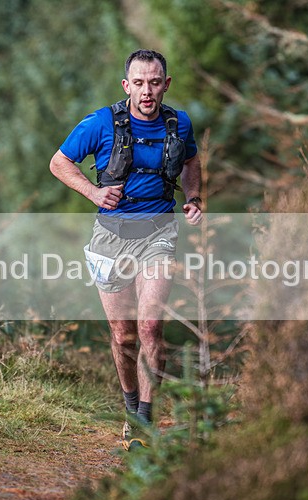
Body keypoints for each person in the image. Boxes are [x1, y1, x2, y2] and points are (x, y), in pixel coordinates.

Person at [49, 49, 202, 449]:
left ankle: (145, 422)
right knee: (123, 335)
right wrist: (93, 191)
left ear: (166, 84)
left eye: (154, 82)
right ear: (126, 85)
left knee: (151, 326)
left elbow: (190, 162)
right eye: (139, 83)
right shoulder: (101, 122)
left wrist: (194, 197)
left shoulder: (179, 123)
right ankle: (129, 405)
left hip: (159, 233)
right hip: (110, 237)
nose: (147, 91)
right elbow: (59, 162)